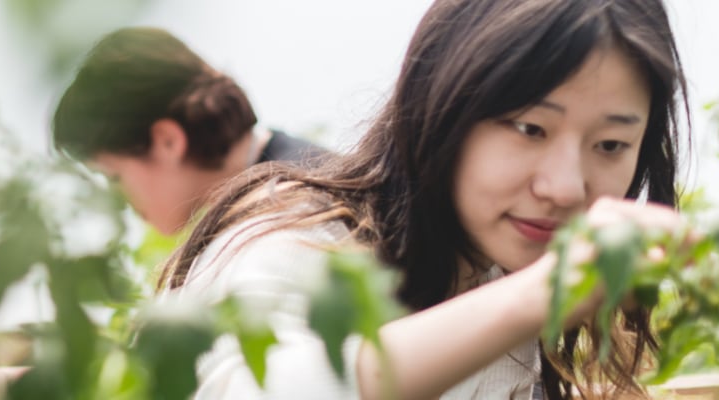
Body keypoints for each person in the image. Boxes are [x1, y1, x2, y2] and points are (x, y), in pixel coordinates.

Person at [159, 0, 689, 398]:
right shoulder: (299, 237)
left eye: (611, 145)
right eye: (530, 129)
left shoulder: (495, 278)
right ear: (444, 103)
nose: (567, 187)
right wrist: (538, 297)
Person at [52, 27, 327, 236]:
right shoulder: (300, 175)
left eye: (113, 177)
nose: (118, 202)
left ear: (167, 142)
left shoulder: (285, 219)